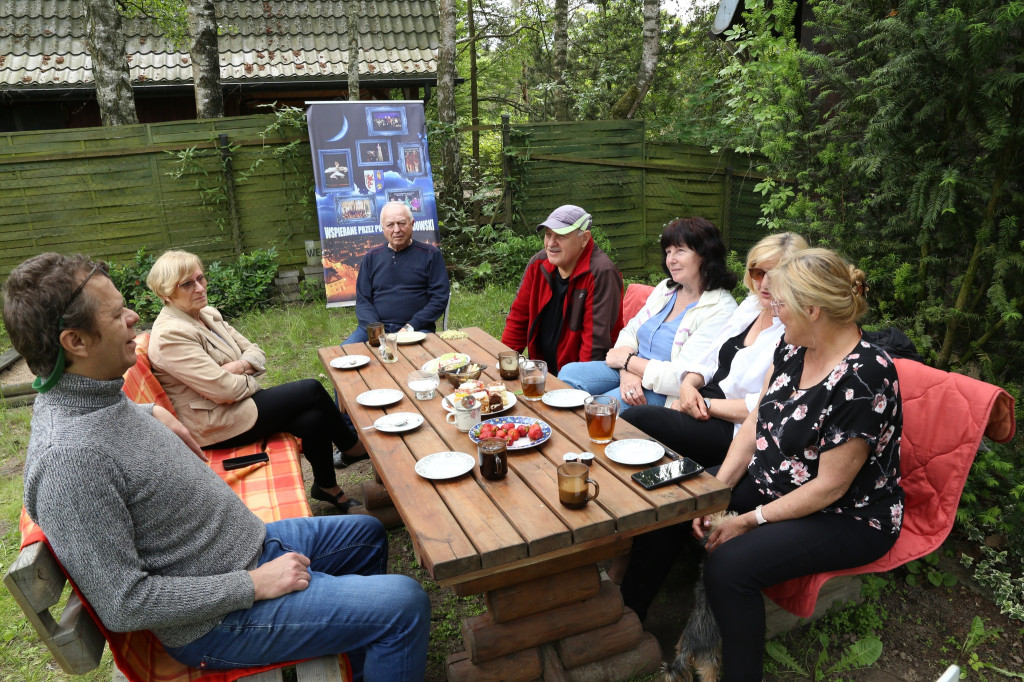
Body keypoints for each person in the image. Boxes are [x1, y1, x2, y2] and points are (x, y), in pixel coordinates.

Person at [5, 253, 430, 680]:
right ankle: (375, 632)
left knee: (369, 534)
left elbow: (108, 425)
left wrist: (151, 411)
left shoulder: (94, 395)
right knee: (404, 604)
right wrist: (254, 585)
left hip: (245, 545)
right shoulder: (69, 461)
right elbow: (123, 603)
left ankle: (356, 660)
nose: (135, 317)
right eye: (117, 314)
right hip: (217, 623)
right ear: (75, 342)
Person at [642, 249, 903, 681]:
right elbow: (756, 421)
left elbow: (831, 487)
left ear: (813, 310)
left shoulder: (867, 375)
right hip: (777, 484)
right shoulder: (793, 346)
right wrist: (714, 494)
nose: (775, 315)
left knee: (730, 568)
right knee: (679, 504)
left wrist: (748, 520)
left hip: (847, 515)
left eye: (780, 305)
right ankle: (631, 616)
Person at [146, 250, 365, 512]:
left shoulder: (207, 314)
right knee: (311, 389)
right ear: (166, 293)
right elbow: (223, 389)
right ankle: (352, 447)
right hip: (215, 424)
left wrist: (238, 366)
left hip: (237, 405)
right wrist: (248, 377)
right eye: (188, 284)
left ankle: (326, 487)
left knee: (314, 420)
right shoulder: (171, 335)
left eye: (201, 278)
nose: (200, 287)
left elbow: (256, 352)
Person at [620, 232, 808, 454]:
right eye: (758, 273)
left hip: (731, 425)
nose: (764, 283)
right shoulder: (751, 306)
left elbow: (766, 403)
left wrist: (704, 404)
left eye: (775, 275)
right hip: (700, 400)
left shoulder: (795, 330)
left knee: (634, 418)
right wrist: (689, 385)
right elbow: (711, 355)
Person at [558, 217, 737, 410]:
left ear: (706, 255)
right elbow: (630, 332)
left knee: (601, 408)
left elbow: (681, 377)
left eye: (680, 251)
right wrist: (628, 371)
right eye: (668, 252)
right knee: (569, 375)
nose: (671, 259)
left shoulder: (720, 309)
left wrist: (626, 362)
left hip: (664, 391)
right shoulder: (666, 289)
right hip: (629, 369)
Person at [501, 205, 624, 374]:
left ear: (584, 239)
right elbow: (518, 319)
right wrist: (504, 364)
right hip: (541, 372)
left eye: (561, 235)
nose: (551, 243)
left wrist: (570, 387)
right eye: (548, 234)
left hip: (579, 379)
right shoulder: (538, 264)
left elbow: (594, 348)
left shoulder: (601, 274)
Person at [343, 201, 450, 343]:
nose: (396, 229)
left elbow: (439, 299)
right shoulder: (371, 257)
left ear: (412, 224)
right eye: (390, 225)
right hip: (375, 329)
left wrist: (410, 327)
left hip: (416, 329)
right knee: (341, 358)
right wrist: (377, 330)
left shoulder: (431, 255)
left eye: (401, 223)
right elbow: (363, 302)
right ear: (382, 228)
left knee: (417, 361)